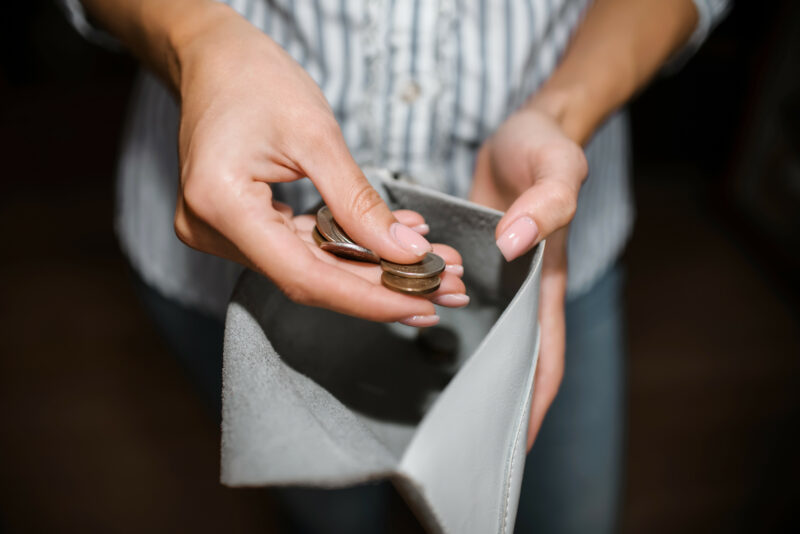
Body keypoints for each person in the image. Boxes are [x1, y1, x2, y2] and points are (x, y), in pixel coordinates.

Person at [61, 0, 728, 531]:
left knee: (559, 512)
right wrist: (196, 37)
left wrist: (564, 110)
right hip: (238, 248)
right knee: (330, 511)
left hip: (549, 251)